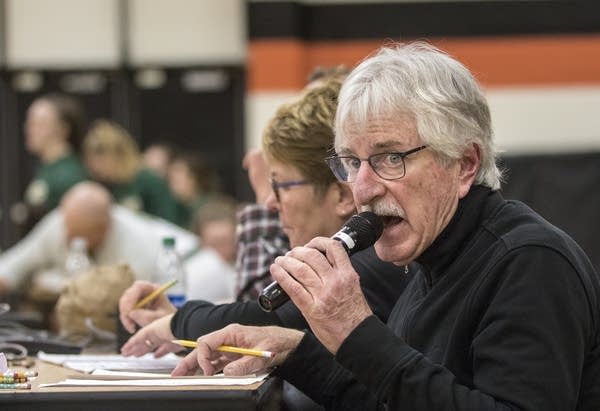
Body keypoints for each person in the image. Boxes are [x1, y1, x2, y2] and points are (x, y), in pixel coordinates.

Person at [171, 42, 600, 410]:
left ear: (464, 164)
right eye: (352, 162)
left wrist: (355, 330)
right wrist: (291, 350)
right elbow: (391, 398)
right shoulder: (429, 262)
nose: (362, 187)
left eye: (391, 158)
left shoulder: (530, 263)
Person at [118, 77, 409, 360]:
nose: (269, 203)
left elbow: (269, 317)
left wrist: (177, 323)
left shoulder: (377, 260)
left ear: (342, 196)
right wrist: (177, 321)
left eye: (280, 186)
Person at [0, 182, 201, 299]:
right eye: (67, 230)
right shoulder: (60, 223)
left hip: (193, 268)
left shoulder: (137, 243)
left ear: (105, 227)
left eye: (79, 235)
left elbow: (132, 301)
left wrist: (53, 282)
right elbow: (11, 267)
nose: (69, 240)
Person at [82, 119, 178, 223]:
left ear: (118, 154)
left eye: (100, 160)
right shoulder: (101, 184)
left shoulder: (149, 181)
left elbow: (166, 223)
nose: (94, 167)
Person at [21, 93, 89, 223]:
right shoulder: (47, 168)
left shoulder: (70, 175)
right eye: (29, 123)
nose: (29, 130)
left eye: (38, 124)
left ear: (62, 129)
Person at [166, 151, 221, 229]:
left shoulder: (210, 208)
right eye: (170, 180)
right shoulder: (182, 208)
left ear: (194, 179)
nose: (171, 186)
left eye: (176, 181)